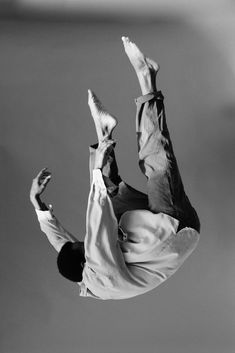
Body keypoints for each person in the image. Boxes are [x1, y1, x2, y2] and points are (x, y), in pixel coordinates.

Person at [30, 37, 200, 300]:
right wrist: (97, 169)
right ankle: (147, 77)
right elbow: (96, 224)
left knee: (111, 196)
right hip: (176, 228)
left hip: (149, 237)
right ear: (86, 259)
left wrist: (38, 204)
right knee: (155, 165)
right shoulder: (98, 268)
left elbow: (61, 243)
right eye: (83, 247)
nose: (83, 242)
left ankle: (104, 133)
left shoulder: (83, 268)